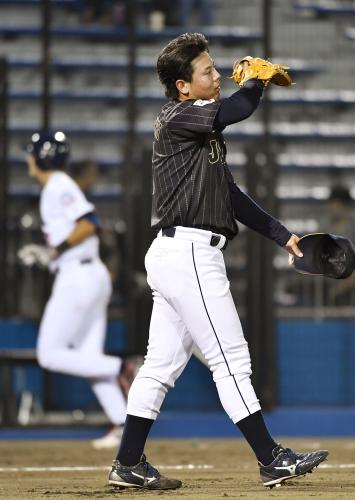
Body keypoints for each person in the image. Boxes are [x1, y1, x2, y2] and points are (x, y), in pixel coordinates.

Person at [108, 33, 328, 491]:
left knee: (160, 365)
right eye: (207, 71)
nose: (218, 75)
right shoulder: (178, 116)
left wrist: (282, 235)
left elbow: (230, 196)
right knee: (231, 359)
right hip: (188, 253)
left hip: (179, 253)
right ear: (183, 86)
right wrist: (256, 85)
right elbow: (239, 109)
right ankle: (271, 457)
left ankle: (127, 463)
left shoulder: (197, 128)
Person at [25, 131, 135, 450]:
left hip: (78, 276)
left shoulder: (58, 184)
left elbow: (89, 223)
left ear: (41, 157)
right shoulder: (57, 184)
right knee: (88, 358)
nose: (28, 159)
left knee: (49, 355)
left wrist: (55, 250)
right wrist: (52, 255)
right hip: (86, 271)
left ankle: (122, 367)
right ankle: (124, 422)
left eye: (32, 154)